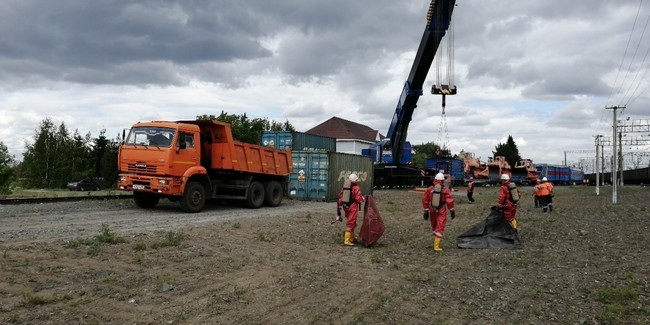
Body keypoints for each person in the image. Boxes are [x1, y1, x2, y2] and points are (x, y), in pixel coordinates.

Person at [422, 173, 456, 252]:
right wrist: (452, 211)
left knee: (434, 224)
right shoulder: (445, 190)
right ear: (442, 180)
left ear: (435, 180)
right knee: (440, 225)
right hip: (441, 209)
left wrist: (426, 211)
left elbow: (425, 200)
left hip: (432, 209)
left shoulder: (430, 189)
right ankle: (436, 246)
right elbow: (450, 201)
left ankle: (435, 241)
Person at [337, 173, 365, 246]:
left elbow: (340, 197)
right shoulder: (356, 187)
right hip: (353, 207)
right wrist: (363, 199)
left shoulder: (345, 186)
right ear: (355, 180)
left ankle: (352, 238)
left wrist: (339, 208)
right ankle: (347, 240)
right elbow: (358, 198)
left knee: (351, 222)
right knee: (351, 222)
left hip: (346, 207)